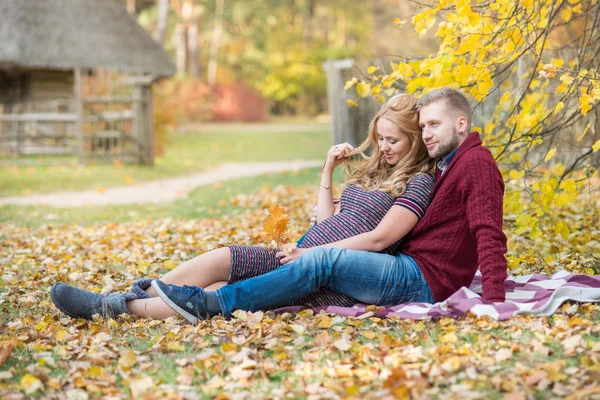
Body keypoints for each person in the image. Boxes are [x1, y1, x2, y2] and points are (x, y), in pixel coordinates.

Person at [50, 93, 436, 321]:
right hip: (299, 252)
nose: (384, 147)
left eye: (394, 141)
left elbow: (378, 240)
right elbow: (326, 219)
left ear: (415, 141)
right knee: (223, 261)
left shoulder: (418, 182)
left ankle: (114, 308)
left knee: (220, 289)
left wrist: (311, 253)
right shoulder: (372, 170)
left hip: (324, 272)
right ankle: (132, 294)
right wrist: (327, 171)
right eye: (380, 138)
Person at [150, 87, 509, 324]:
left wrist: (495, 302)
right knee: (234, 261)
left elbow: (487, 233)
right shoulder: (451, 163)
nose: (429, 132)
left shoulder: (472, 163)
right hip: (394, 264)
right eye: (425, 125)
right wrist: (330, 178)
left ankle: (208, 304)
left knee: (317, 262)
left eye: (435, 124)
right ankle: (127, 300)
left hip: (420, 277)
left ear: (461, 124)